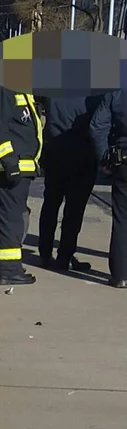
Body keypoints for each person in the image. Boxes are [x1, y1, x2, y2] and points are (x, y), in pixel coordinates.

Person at [0, 82, 43, 285]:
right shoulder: (5, 89)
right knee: (12, 219)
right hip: (10, 167)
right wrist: (9, 163)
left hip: (20, 166)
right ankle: (9, 269)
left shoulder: (20, 89)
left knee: (3, 215)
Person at [37, 93, 102, 272]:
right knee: (74, 211)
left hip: (55, 153)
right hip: (82, 156)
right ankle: (64, 257)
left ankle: (44, 254)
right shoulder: (92, 96)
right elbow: (99, 125)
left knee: (50, 204)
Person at [90, 89, 127, 288]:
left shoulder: (116, 94)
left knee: (122, 218)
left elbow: (97, 126)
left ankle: (121, 275)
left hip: (123, 161)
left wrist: (104, 158)